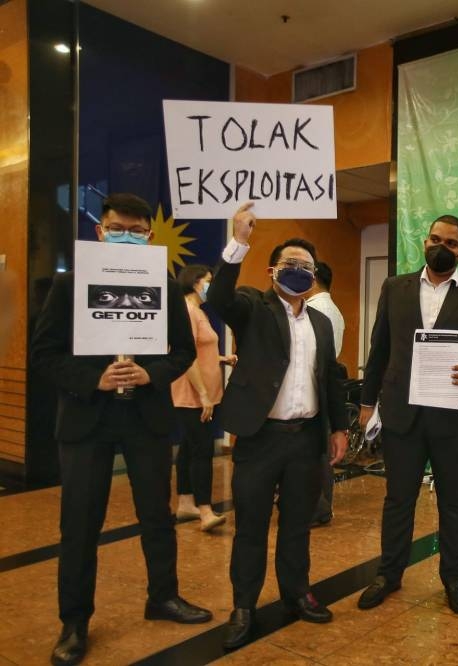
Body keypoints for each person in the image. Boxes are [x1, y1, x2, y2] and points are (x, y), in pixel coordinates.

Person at [32, 193, 212, 666]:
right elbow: (44, 353)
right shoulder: (69, 285)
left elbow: (182, 352)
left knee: (158, 515)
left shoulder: (166, 285)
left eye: (136, 231)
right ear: (99, 230)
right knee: (79, 524)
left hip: (146, 418)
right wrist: (94, 379)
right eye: (117, 228)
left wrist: (152, 374)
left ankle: (163, 597)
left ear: (149, 237)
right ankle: (74, 622)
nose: (126, 236)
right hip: (86, 421)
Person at [206, 203, 349, 649]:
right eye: (289, 264)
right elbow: (218, 300)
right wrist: (239, 241)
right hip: (259, 438)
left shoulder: (322, 322)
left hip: (306, 440)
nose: (298, 271)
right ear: (272, 270)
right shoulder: (252, 305)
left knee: (297, 526)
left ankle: (296, 593)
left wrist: (338, 428)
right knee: (250, 526)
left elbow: (332, 378)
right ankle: (244, 606)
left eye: (305, 266)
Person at [356, 214, 458, 615]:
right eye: (436, 239)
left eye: (452, 243)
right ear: (425, 242)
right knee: (397, 500)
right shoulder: (395, 287)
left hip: (453, 421)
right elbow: (379, 351)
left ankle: (455, 579)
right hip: (402, 417)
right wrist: (367, 404)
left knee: (455, 503)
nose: (442, 247)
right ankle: (388, 574)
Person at [172, 264, 236, 532]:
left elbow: (200, 351)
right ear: (195, 282)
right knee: (201, 450)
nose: (212, 285)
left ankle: (186, 503)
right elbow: (186, 359)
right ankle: (206, 510)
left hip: (205, 391)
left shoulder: (198, 311)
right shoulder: (187, 311)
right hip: (194, 394)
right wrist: (204, 395)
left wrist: (221, 358)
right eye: (209, 281)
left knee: (189, 447)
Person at [305, 261, 346, 528]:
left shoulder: (315, 310)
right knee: (320, 452)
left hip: (314, 387)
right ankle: (319, 506)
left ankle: (316, 508)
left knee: (316, 453)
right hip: (324, 385)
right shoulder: (335, 309)